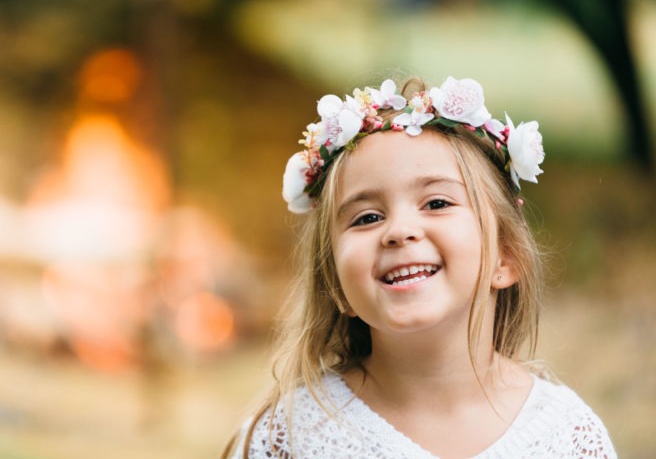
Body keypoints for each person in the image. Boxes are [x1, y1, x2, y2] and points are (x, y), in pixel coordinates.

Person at [222, 76, 617, 458]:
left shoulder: (566, 436)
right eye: (366, 217)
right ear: (335, 284)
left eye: (437, 203)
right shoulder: (291, 436)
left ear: (505, 255)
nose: (399, 231)